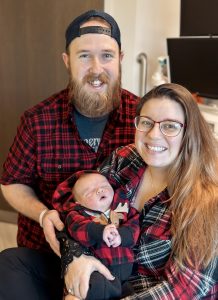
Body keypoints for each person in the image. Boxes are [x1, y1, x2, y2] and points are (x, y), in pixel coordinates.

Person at [0, 10, 139, 300]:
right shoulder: (37, 121)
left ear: (121, 59)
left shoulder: (142, 121)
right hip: (50, 255)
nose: (96, 68)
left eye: (107, 56)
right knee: (8, 265)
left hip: (119, 261)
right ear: (67, 61)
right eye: (84, 56)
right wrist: (42, 214)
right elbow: (11, 182)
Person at [59, 83, 218, 299]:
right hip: (104, 279)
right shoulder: (126, 159)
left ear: (189, 132)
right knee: (14, 263)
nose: (153, 135)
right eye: (146, 122)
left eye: (170, 126)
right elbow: (77, 208)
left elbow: (181, 291)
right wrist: (76, 258)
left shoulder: (207, 200)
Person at [52, 170, 139, 299]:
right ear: (79, 203)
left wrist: (121, 236)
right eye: (89, 192)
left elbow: (134, 227)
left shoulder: (124, 209)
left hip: (125, 275)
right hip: (96, 271)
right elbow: (78, 230)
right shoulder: (78, 215)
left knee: (130, 292)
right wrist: (99, 231)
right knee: (93, 288)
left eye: (103, 186)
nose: (99, 190)